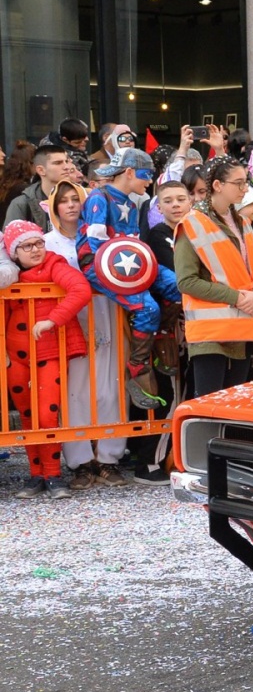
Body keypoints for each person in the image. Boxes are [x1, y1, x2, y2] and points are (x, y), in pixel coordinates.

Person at [42, 181, 128, 489]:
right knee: (75, 391)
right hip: (69, 323)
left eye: (75, 199)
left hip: (105, 314)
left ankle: (108, 458)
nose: (70, 205)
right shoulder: (47, 243)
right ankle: (80, 461)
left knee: (109, 385)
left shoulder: (100, 235)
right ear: (53, 207)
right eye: (62, 200)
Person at [81, 148, 181, 411]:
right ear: (128, 172)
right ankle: (137, 366)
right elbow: (96, 245)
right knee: (148, 307)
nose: (149, 181)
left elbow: (133, 242)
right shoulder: (98, 198)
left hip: (132, 262)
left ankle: (160, 336)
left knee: (180, 287)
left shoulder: (131, 202)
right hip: (100, 266)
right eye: (146, 175)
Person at [4, 220, 92, 500]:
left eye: (39, 243)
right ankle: (36, 475)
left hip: (48, 352)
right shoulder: (9, 275)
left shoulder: (55, 265)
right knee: (27, 416)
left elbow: (81, 290)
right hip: (14, 356)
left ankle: (53, 474)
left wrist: (52, 320)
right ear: (14, 252)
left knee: (46, 414)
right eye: (27, 246)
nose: (35, 250)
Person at [175, 156, 253, 396]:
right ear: (217, 185)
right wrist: (238, 297)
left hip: (243, 326)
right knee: (208, 404)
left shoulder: (244, 223)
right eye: (238, 183)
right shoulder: (192, 223)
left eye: (245, 182)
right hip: (211, 334)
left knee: (234, 405)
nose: (244, 188)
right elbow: (186, 281)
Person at [5, 143, 71, 228]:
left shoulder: (81, 198)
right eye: (58, 163)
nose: (66, 167)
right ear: (41, 170)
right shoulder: (22, 204)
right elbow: (12, 238)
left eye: (66, 161)